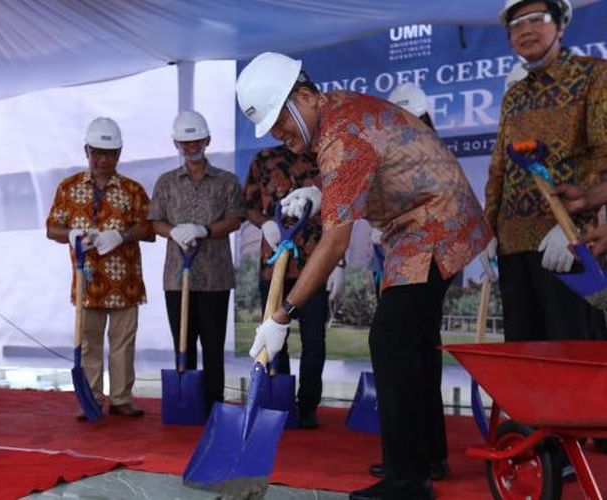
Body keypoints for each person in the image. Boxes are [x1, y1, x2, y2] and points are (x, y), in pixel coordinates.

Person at [236, 52, 491, 500]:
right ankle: (425, 457)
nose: (280, 134)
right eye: (271, 129)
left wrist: (282, 314)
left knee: (391, 340)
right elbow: (365, 171)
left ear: (305, 96)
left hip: (431, 222)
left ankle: (407, 480)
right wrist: (318, 190)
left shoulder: (340, 133)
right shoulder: (337, 115)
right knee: (414, 343)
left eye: (280, 120)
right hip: (421, 223)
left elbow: (335, 242)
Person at [484, 0, 607, 343]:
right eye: (515, 25)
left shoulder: (594, 75)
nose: (525, 30)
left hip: (570, 247)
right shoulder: (514, 97)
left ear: (561, 24)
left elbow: (605, 157)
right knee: (525, 361)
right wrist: (488, 228)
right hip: (513, 251)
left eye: (536, 19)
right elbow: (499, 168)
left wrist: (579, 225)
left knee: (575, 358)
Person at [46, 117, 154, 419]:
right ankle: (91, 399)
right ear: (86, 151)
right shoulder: (68, 188)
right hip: (87, 282)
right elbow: (51, 228)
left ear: (119, 154)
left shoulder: (133, 190)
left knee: (123, 344)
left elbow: (149, 228)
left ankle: (121, 399)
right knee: (89, 344)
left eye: (110, 153)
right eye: (97, 152)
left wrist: (121, 235)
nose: (103, 159)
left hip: (125, 282)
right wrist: (70, 235)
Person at [148, 110, 245, 415]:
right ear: (176, 144)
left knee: (213, 346)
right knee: (183, 344)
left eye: (196, 141)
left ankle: (213, 403)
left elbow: (235, 220)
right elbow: (154, 222)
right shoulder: (166, 183)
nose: (191, 148)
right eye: (185, 143)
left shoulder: (227, 181)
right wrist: (173, 231)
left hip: (215, 277)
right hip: (177, 278)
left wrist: (204, 230)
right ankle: (186, 404)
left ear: (208, 140)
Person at [242, 144, 345, 429]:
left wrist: (339, 263)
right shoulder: (263, 159)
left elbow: (340, 214)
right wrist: (265, 224)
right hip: (274, 264)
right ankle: (279, 402)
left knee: (314, 341)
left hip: (316, 263)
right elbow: (248, 205)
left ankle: (308, 406)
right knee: (275, 338)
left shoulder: (326, 158)